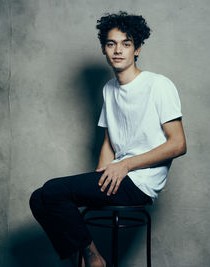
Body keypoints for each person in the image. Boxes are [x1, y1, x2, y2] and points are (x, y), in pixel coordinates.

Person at [29, 11, 187, 267]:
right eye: (111, 43)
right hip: (118, 175)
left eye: (126, 44)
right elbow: (109, 141)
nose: (118, 50)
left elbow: (178, 144)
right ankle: (84, 258)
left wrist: (125, 165)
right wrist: (102, 173)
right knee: (38, 199)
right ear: (104, 48)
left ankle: (93, 259)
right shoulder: (109, 89)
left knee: (54, 190)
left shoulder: (158, 85)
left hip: (140, 181)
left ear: (137, 49)